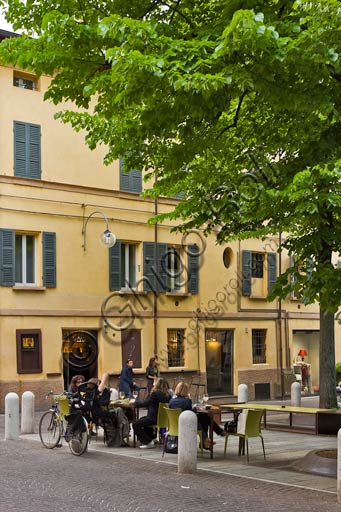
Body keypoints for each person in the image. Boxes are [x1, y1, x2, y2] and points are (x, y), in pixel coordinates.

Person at [169, 381, 224, 449]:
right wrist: (194, 407)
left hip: (175, 425)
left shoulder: (171, 401)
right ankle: (210, 436)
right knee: (204, 417)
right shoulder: (187, 401)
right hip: (186, 425)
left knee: (203, 417)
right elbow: (192, 413)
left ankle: (205, 440)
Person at [132, 377, 170, 448]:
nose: (153, 384)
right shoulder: (167, 395)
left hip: (153, 418)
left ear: (157, 384)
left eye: (154, 382)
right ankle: (152, 438)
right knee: (142, 420)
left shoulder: (155, 394)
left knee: (135, 424)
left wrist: (135, 402)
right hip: (163, 420)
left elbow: (146, 403)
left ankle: (148, 442)